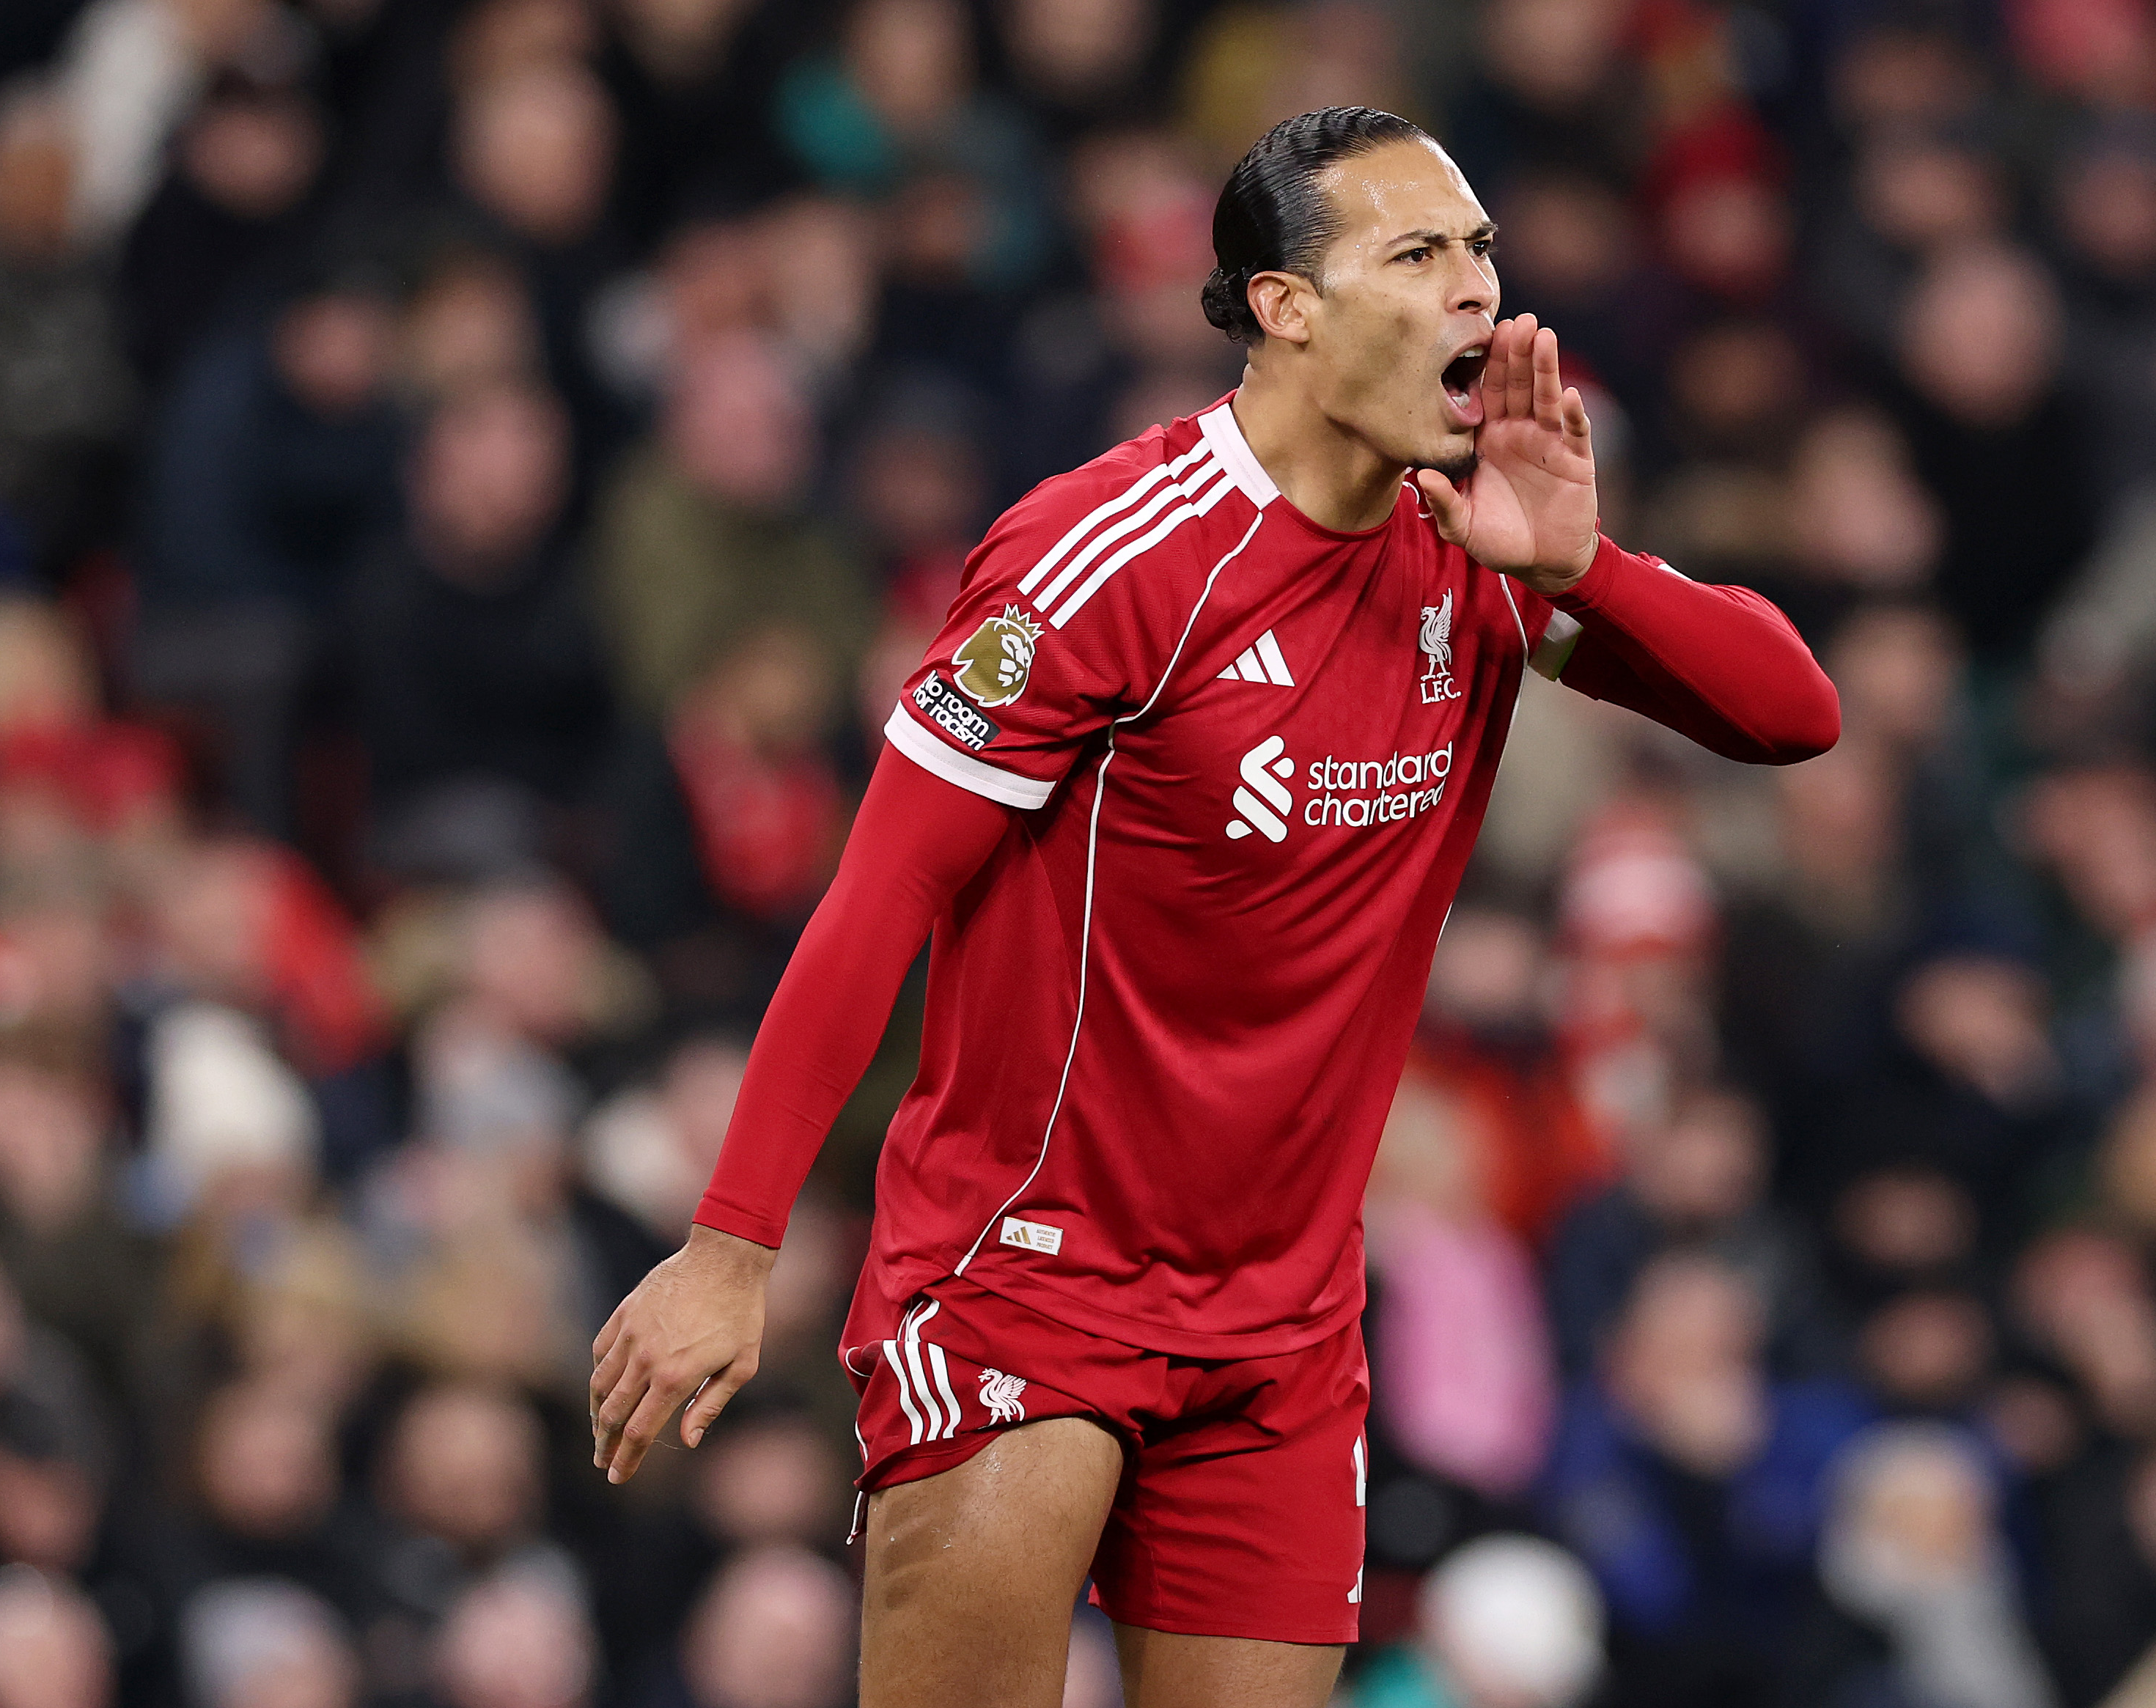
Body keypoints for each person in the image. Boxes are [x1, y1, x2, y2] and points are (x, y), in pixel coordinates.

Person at [588, 106, 1840, 1708]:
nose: (1475, 289)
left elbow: (1792, 715)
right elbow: (881, 892)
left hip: (1283, 1326)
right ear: (1285, 306)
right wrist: (731, 1243)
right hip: (1028, 1275)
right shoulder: (1105, 557)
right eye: (1417, 254)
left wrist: (1579, 568)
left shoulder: (1473, 546)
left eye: (1479, 250)